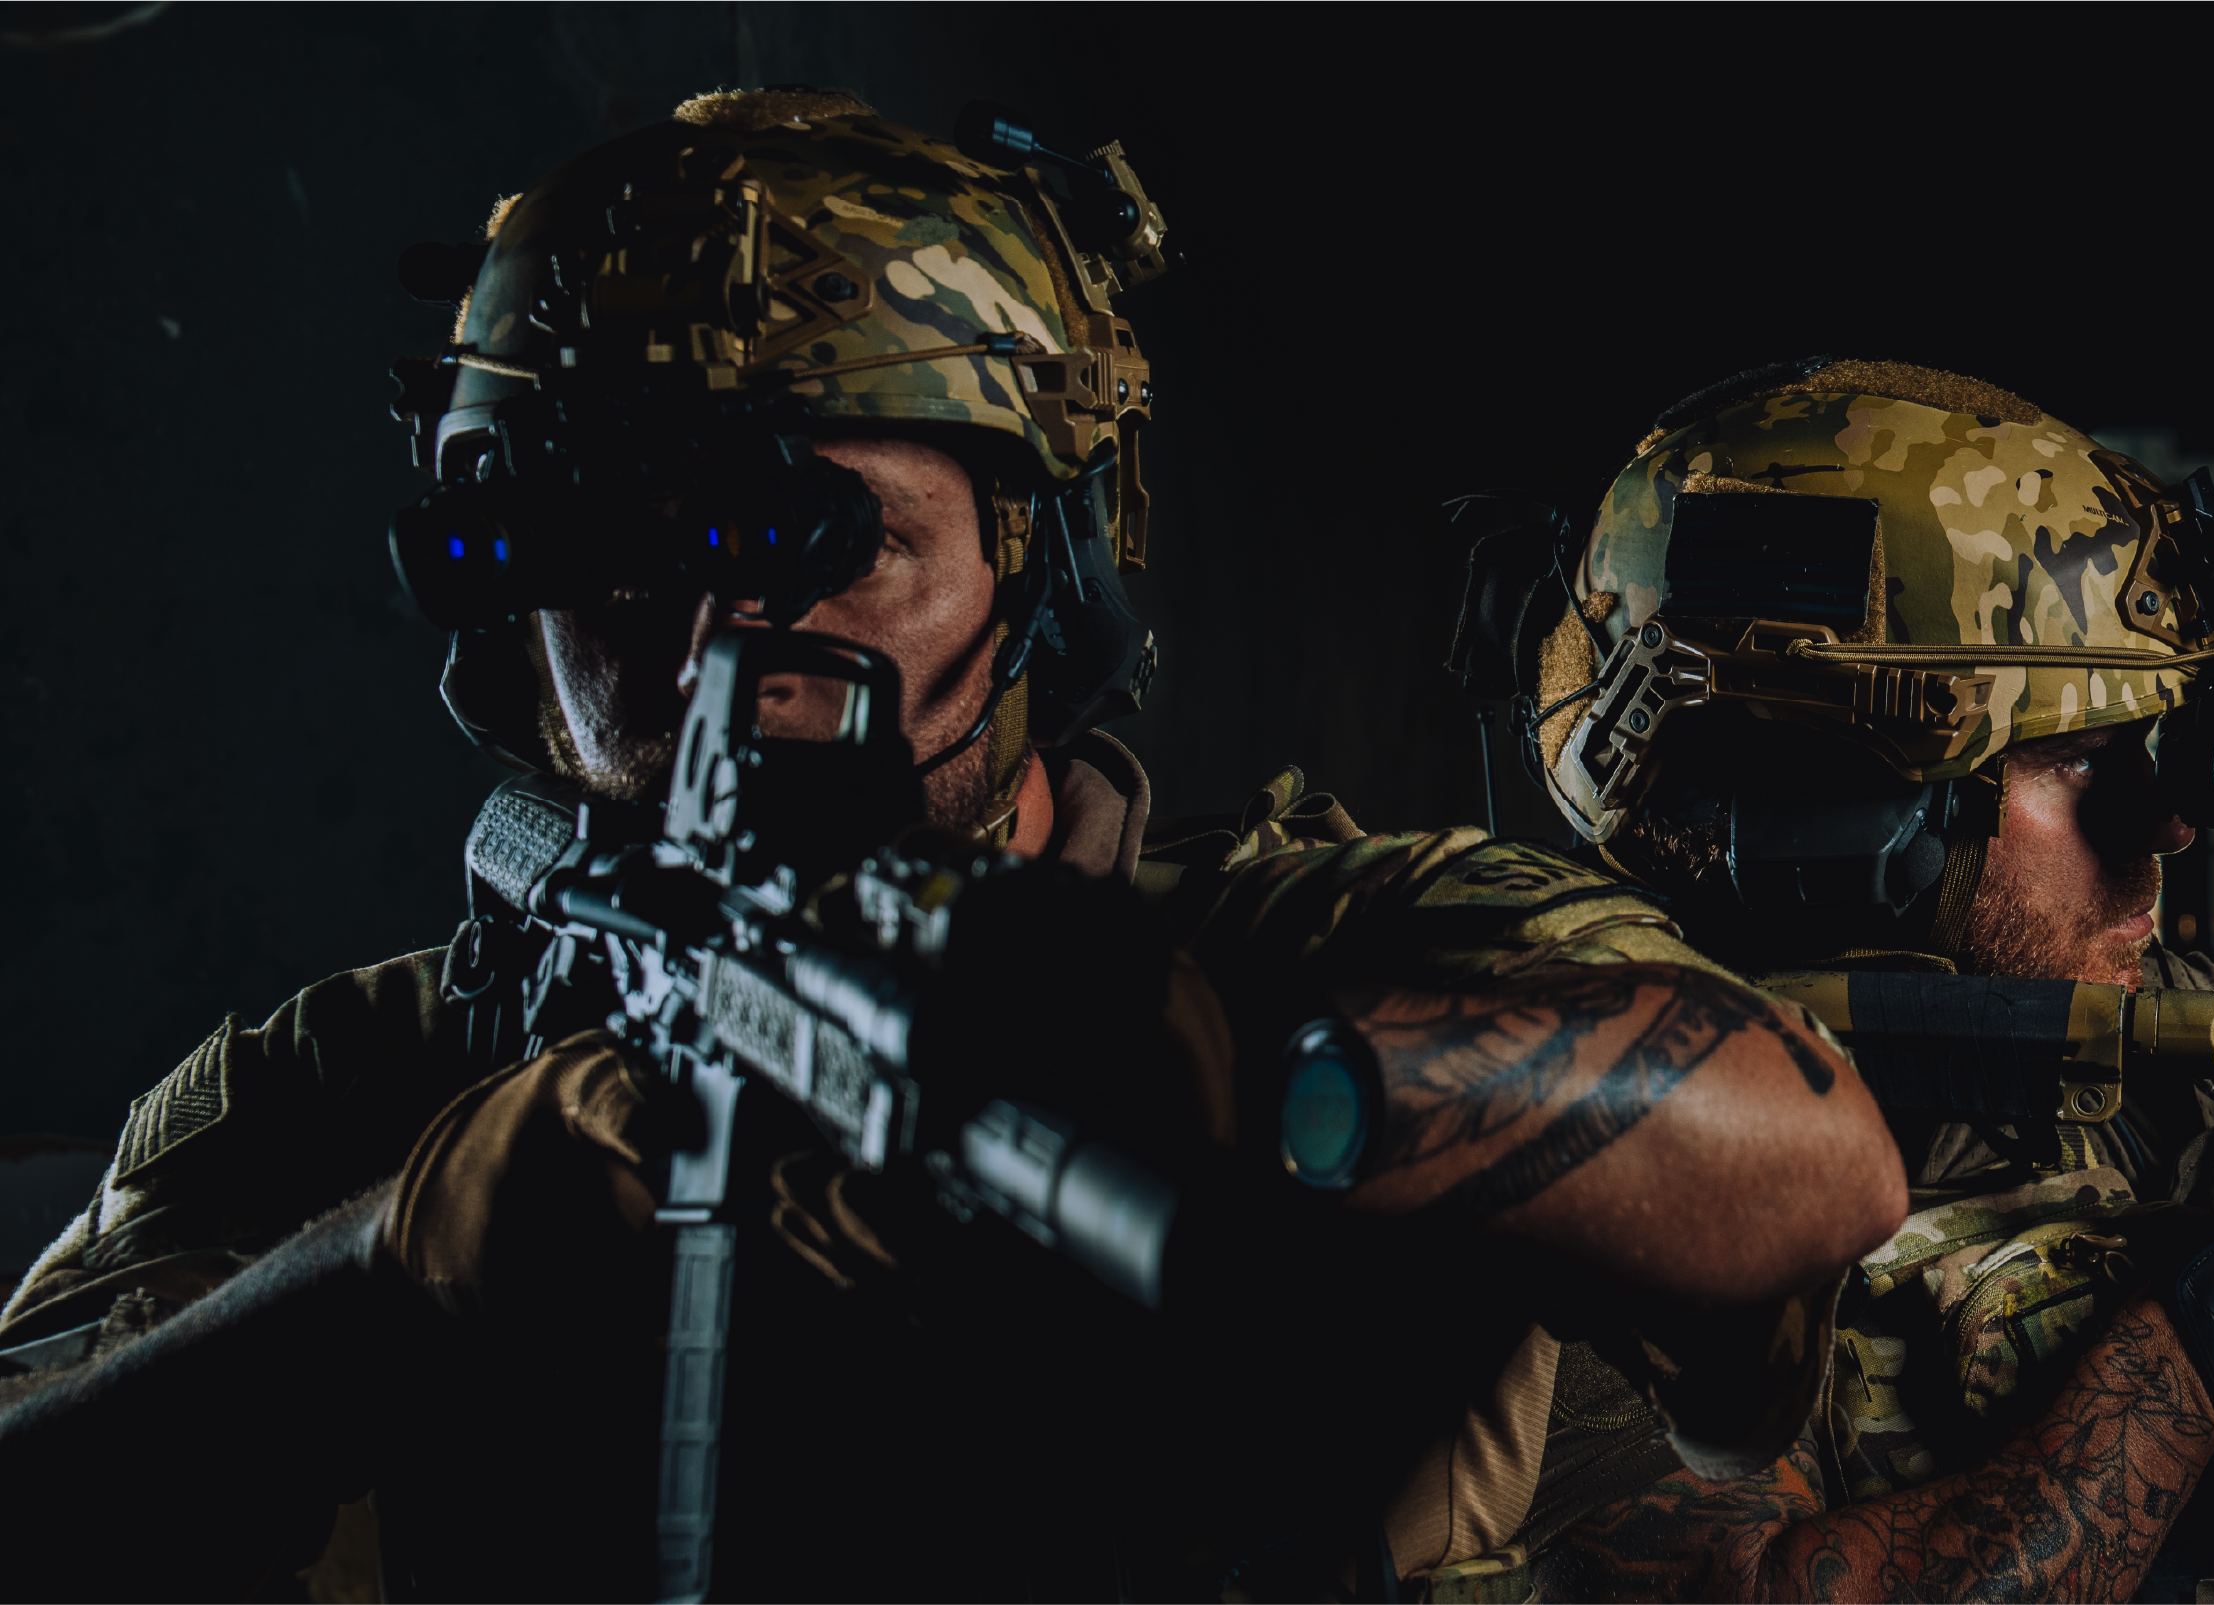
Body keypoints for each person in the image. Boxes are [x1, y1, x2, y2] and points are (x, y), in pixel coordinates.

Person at [0, 95, 1903, 1603]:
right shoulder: (350, 1094)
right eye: (610, 549)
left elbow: (1806, 1152)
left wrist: (1257, 1090)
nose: (708, 651)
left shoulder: (1317, 929)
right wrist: (392, 1274)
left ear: (1047, 572)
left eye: (824, 544)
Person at [1423, 358, 2214, 1605]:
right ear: (1846, 816)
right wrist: (2199, 1353)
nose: (2165, 833)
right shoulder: (1555, 1127)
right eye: (2083, 766)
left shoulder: (2102, 1043)